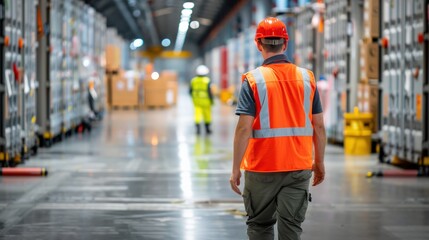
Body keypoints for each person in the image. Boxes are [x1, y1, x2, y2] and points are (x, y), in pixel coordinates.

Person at [229, 17, 326, 240]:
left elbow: (244, 128)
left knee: (260, 226)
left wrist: (236, 169)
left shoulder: (254, 80)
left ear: (258, 44)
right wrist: (319, 162)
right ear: (285, 43)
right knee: (291, 228)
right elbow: (318, 125)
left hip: (261, 167)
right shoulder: (306, 78)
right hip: (298, 167)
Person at [190, 65, 214, 135]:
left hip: (196, 101)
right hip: (206, 101)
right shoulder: (207, 81)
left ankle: (198, 130)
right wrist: (211, 100)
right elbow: (210, 92)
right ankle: (207, 129)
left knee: (197, 114)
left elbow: (190, 91)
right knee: (207, 115)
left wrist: (194, 97)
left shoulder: (193, 80)